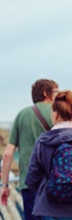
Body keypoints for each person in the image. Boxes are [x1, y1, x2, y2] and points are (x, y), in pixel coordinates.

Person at [1, 79, 58, 220]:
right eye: (56, 91)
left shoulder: (22, 115)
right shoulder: (58, 114)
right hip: (55, 181)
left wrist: (5, 185)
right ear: (46, 94)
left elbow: (8, 154)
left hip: (29, 183)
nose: (59, 95)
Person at [26, 90, 72, 219]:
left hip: (50, 209)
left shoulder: (43, 141)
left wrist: (46, 191)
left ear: (56, 115)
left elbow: (32, 178)